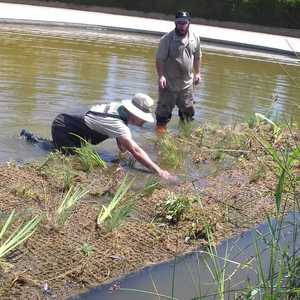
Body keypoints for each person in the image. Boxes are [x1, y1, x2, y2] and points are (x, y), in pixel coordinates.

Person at [48, 93, 176, 181]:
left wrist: (123, 153)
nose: (144, 121)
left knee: (76, 156)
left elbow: (122, 146)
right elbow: (136, 151)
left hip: (71, 125)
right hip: (63, 129)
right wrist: (159, 171)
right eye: (142, 117)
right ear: (133, 113)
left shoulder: (119, 109)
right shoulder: (118, 125)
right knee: (70, 161)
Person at [155, 10, 202, 133]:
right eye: (179, 23)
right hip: (168, 84)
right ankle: (160, 139)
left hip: (186, 84)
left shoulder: (195, 38)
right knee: (162, 116)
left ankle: (183, 138)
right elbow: (160, 59)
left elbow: (197, 57)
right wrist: (161, 76)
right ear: (175, 23)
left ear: (189, 23)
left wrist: (197, 73)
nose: (181, 26)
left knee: (187, 115)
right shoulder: (166, 39)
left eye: (184, 23)